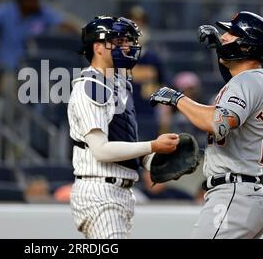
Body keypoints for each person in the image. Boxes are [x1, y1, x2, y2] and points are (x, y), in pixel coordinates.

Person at [150, 11, 263, 239]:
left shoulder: (248, 80)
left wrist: (178, 98)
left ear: (247, 46)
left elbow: (218, 123)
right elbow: (234, 85)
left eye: (232, 33)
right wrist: (220, 47)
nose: (224, 36)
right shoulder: (256, 79)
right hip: (248, 192)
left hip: (234, 193)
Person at [67, 16, 180, 239]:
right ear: (98, 47)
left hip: (119, 191)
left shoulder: (118, 83)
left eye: (128, 41)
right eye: (118, 42)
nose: (127, 47)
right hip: (100, 191)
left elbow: (124, 141)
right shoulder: (91, 86)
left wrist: (155, 159)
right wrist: (152, 144)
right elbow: (101, 150)